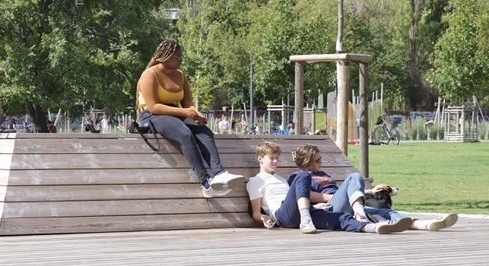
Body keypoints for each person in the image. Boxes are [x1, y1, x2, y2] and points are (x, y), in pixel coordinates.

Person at [135, 39, 243, 198]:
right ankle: (206, 183)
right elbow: (153, 106)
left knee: (204, 131)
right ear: (165, 56)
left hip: (175, 111)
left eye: (181, 57)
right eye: (177, 57)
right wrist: (186, 113)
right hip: (152, 115)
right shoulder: (149, 74)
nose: (180, 60)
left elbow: (188, 104)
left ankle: (219, 173)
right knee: (184, 134)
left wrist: (197, 116)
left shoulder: (181, 76)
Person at [247, 141, 411, 235]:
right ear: (260, 158)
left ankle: (374, 227)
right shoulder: (255, 181)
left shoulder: (281, 179)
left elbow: (300, 197)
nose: (276, 162)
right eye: (272, 158)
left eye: (277, 158)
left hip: (305, 212)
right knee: (303, 176)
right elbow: (256, 212)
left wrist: (314, 206)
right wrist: (263, 218)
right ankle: (306, 219)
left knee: (339, 218)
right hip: (283, 216)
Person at [292, 144, 459, 232]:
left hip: (344, 203)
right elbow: (306, 197)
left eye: (321, 159)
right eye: (317, 160)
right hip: (330, 208)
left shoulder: (322, 173)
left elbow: (348, 191)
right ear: (306, 161)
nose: (321, 163)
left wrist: (370, 191)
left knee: (384, 213)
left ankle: (425, 224)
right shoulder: (297, 177)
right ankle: (359, 211)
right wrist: (336, 199)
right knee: (354, 177)